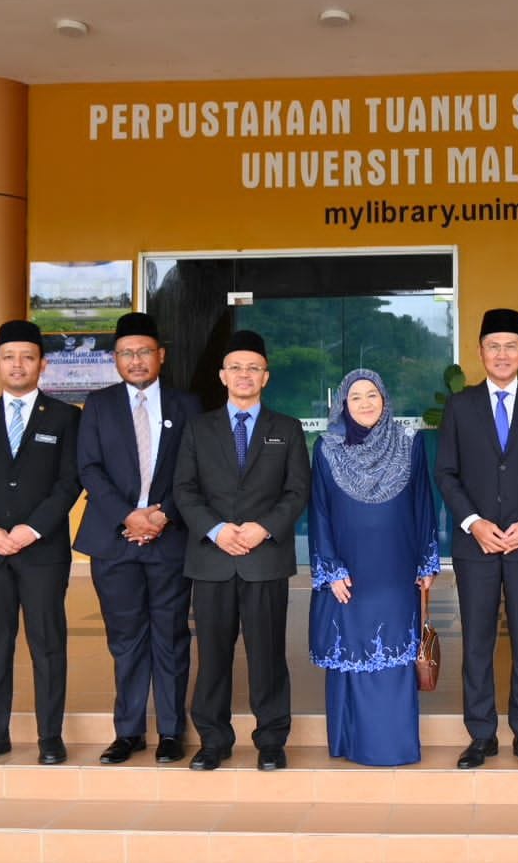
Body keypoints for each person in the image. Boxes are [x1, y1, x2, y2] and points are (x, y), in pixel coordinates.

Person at [0, 319, 82, 766]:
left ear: (42, 364)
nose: (17, 364)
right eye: (9, 357)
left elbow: (69, 482)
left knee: (48, 643)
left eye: (27, 357)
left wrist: (32, 529)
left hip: (42, 552)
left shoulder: (65, 417)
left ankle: (50, 736)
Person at [173, 330, 310, 772]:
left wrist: (263, 528)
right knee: (212, 657)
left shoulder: (286, 429)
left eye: (253, 368)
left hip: (264, 559)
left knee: (267, 655)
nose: (244, 374)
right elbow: (184, 489)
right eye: (236, 367)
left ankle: (270, 739)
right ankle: (213, 740)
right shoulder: (199, 428)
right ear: (222, 375)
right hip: (212, 560)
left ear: (265, 376)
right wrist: (216, 530)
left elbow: (297, 490)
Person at [435, 308, 518, 770]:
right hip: (477, 545)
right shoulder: (460, 406)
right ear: (480, 352)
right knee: (477, 640)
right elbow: (446, 473)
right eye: (494, 346)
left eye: (511, 346)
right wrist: (474, 523)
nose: (502, 354)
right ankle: (481, 734)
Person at [75, 312, 202, 765]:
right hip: (114, 539)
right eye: (126, 353)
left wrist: (162, 516)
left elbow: (195, 469)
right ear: (115, 359)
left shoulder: (188, 405)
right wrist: (129, 516)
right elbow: (88, 467)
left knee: (170, 636)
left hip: (170, 538)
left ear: (160, 355)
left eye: (144, 351)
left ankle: (170, 731)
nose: (135, 360)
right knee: (125, 638)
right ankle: (127, 732)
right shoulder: (98, 404)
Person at [308, 369, 440, 765]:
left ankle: (392, 746)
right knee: (351, 649)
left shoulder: (409, 443)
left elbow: (423, 503)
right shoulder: (327, 447)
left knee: (395, 651)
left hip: (398, 568)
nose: (365, 403)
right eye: (355, 397)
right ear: (342, 404)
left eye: (372, 395)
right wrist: (330, 568)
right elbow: (319, 510)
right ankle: (350, 743)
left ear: (385, 400)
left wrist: (427, 560)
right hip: (349, 573)